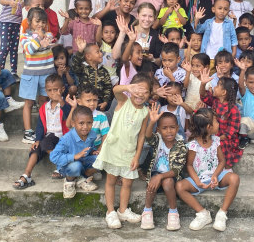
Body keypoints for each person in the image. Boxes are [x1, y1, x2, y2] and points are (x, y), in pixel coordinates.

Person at [93, 73, 152, 229]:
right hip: (114, 149)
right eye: (137, 90)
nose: (140, 94)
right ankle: (110, 212)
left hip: (129, 153)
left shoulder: (145, 112)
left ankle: (123, 210)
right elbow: (116, 90)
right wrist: (127, 87)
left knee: (127, 182)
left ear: (150, 94)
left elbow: (141, 137)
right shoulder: (123, 101)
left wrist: (137, 157)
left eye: (145, 91)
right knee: (111, 181)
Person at [175, 108, 240, 231]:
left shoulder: (216, 140)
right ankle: (202, 214)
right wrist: (198, 182)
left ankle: (222, 214)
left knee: (234, 178)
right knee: (179, 187)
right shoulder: (193, 145)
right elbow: (189, 165)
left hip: (217, 177)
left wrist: (215, 175)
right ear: (209, 127)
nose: (219, 123)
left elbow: (222, 161)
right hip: (199, 178)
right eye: (216, 121)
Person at [12, 74, 72, 189]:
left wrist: (62, 102)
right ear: (45, 91)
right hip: (49, 138)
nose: (53, 93)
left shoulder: (66, 104)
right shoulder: (44, 107)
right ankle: (27, 175)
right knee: (36, 147)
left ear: (62, 89)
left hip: (64, 137)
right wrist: (37, 140)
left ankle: (61, 164)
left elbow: (70, 116)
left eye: (56, 90)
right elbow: (40, 126)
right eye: (49, 90)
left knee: (46, 142)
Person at [140, 105, 188, 231]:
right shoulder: (158, 140)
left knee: (167, 182)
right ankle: (147, 211)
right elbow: (148, 136)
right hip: (156, 173)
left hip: (172, 177)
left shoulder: (181, 145)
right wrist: (153, 121)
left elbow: (177, 170)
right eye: (164, 128)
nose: (169, 131)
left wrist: (159, 176)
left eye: (172, 127)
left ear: (177, 128)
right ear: (159, 130)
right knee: (152, 183)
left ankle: (173, 212)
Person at [19, 8, 56, 144]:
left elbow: (49, 42)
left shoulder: (49, 35)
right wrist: (39, 39)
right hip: (31, 75)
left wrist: (42, 38)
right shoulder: (24, 37)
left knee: (44, 102)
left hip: (47, 75)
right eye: (37, 21)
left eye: (43, 22)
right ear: (29, 22)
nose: (40, 24)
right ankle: (28, 132)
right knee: (28, 103)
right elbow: (29, 49)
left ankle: (45, 129)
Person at [50, 106, 100, 198]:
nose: (85, 127)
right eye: (81, 123)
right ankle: (69, 181)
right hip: (68, 166)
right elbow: (53, 156)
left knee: (101, 159)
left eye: (89, 123)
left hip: (83, 161)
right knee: (76, 165)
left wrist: (92, 151)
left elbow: (90, 146)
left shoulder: (92, 134)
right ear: (73, 123)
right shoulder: (67, 138)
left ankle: (82, 178)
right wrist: (74, 156)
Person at [199, 70, 241, 168]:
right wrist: (203, 83)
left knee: (219, 147)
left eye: (217, 86)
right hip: (212, 135)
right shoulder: (215, 101)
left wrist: (214, 139)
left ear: (223, 92)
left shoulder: (233, 110)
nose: (214, 87)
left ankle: (224, 169)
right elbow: (203, 95)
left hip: (224, 139)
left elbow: (229, 134)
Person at [71, 37, 113, 112]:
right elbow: (75, 65)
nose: (101, 54)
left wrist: (105, 102)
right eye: (97, 52)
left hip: (98, 104)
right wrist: (80, 51)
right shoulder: (83, 68)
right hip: (84, 104)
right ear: (88, 56)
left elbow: (108, 87)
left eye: (100, 51)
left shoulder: (104, 71)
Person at [99, 19, 120, 85]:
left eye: (112, 32)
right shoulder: (101, 44)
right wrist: (99, 26)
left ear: (116, 34)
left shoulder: (117, 46)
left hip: (113, 76)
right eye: (106, 32)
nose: (109, 34)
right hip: (101, 76)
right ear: (101, 34)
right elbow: (97, 38)